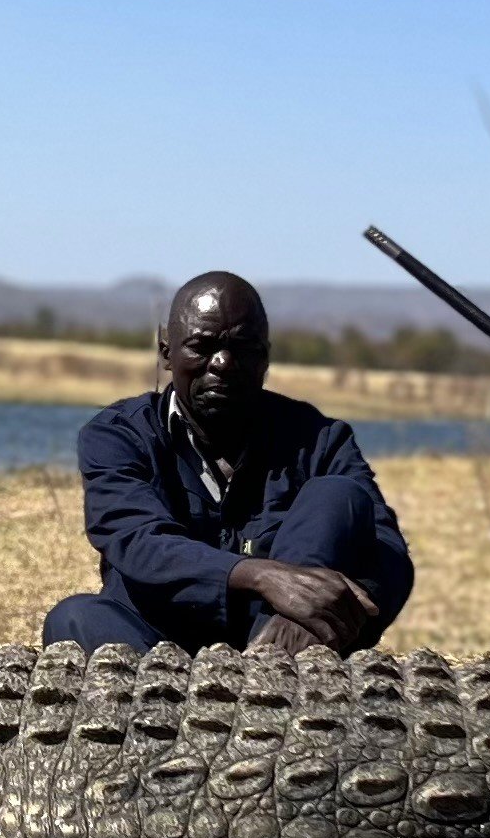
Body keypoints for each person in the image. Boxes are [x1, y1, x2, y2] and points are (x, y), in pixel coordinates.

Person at [43, 272, 413, 655]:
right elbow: (136, 538)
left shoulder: (321, 439)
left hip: (284, 640)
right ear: (167, 351)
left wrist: (344, 603)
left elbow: (385, 545)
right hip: (155, 634)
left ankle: (274, 668)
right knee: (74, 619)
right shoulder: (117, 436)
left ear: (265, 358)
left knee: (339, 494)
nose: (222, 363)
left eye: (243, 347)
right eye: (202, 347)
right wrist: (261, 576)